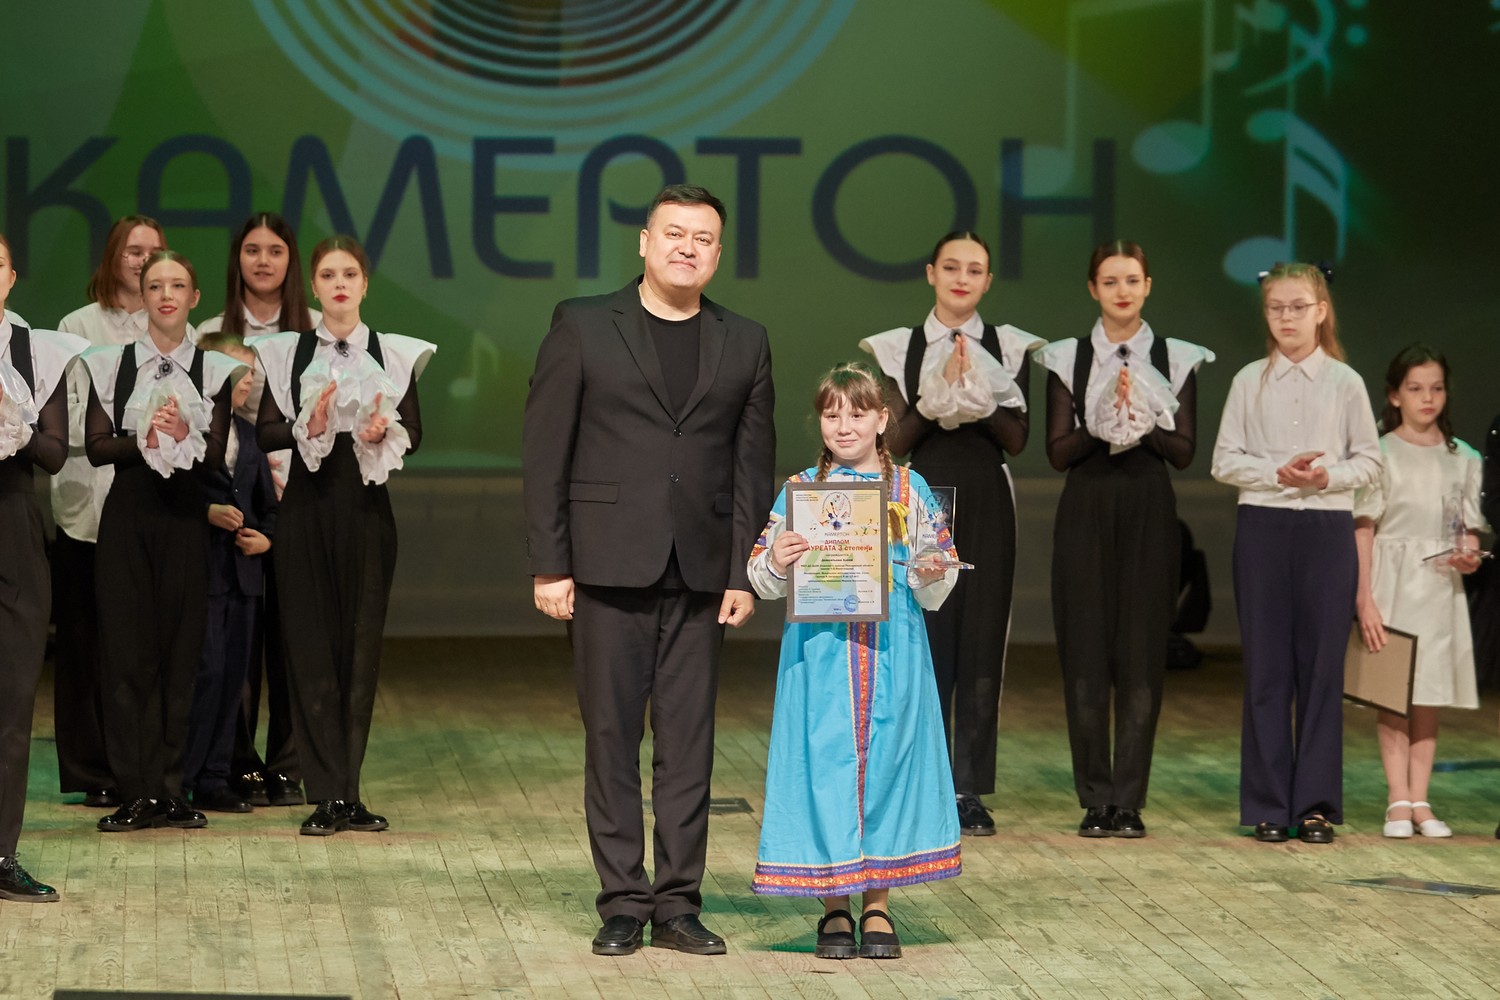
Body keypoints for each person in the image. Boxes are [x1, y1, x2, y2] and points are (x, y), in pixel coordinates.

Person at [523, 184, 775, 957]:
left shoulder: (745, 339)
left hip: (701, 573)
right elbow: (545, 452)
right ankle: (623, 902)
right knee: (610, 739)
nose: (687, 248)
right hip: (604, 566)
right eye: (674, 233)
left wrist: (744, 572)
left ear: (718, 254)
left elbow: (751, 469)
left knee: (689, 747)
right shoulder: (583, 323)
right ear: (644, 241)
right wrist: (549, 565)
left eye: (703, 238)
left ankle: (678, 905)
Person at [747, 362, 961, 961]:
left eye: (858, 413)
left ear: (882, 419)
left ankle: (877, 906)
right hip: (820, 657)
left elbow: (936, 580)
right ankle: (833, 906)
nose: (844, 426)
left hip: (895, 654)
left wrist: (931, 570)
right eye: (832, 413)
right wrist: (778, 560)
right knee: (825, 769)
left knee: (888, 767)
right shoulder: (800, 491)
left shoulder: (910, 490)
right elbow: (761, 577)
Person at [858, 231, 1042, 836]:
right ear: (931, 273)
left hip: (988, 493)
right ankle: (921, 780)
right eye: (952, 267)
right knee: (921, 634)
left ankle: (968, 788)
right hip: (919, 495)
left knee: (983, 639)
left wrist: (979, 396)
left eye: (976, 270)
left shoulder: (1009, 347)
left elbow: (1018, 438)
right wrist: (935, 398)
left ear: (988, 280)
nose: (963, 278)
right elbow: (893, 441)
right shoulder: (897, 348)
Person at [253, 235, 434, 837]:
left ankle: (349, 793)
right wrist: (311, 422)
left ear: (364, 284)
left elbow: (416, 431)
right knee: (310, 651)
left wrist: (382, 430)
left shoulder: (395, 353)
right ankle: (324, 793)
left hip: (366, 516)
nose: (339, 284)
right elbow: (265, 434)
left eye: (349, 274)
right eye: (328, 275)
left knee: (360, 653)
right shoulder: (286, 352)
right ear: (313, 285)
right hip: (305, 514)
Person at [1033, 241, 1213, 838]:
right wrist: (1102, 423)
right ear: (1093, 289)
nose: (1122, 291)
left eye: (1132, 280)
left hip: (1148, 507)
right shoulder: (1068, 358)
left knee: (1141, 654)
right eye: (1110, 281)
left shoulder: (1177, 357)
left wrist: (1144, 422)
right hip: (1086, 506)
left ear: (1147, 285)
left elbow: (1183, 451)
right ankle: (1095, 798)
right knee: (1085, 652)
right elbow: (1058, 452)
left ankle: (1128, 800)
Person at [1211, 262, 1381, 844]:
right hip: (1263, 526)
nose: (1287, 317)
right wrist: (1276, 474)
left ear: (1321, 311)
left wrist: (1325, 476)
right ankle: (1267, 803)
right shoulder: (1248, 381)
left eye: (1298, 307)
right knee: (1266, 668)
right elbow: (1223, 460)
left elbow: (1371, 461)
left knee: (1321, 670)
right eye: (1276, 307)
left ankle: (1314, 804)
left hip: (1327, 531)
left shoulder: (1345, 382)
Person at [82, 250, 240, 833]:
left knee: (180, 655)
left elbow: (215, 456)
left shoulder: (214, 370)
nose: (166, 295)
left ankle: (171, 788)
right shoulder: (111, 364)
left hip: (184, 520)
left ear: (194, 298)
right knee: (128, 655)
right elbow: (97, 446)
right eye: (155, 286)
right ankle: (135, 791)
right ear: (142, 296)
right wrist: (146, 438)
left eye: (177, 285)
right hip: (128, 517)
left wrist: (185, 431)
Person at [197, 212, 318, 809]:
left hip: (302, 494)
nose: (263, 260)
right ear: (237, 259)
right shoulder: (211, 330)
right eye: (252, 249)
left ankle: (288, 765)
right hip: (238, 495)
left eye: (275, 250)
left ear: (291, 260)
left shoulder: (315, 329)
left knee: (293, 640)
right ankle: (236, 762)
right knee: (235, 646)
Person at [52, 215, 168, 808]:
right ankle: (89, 768)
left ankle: (141, 764)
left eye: (153, 251)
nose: (142, 260)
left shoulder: (168, 323)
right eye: (132, 250)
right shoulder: (78, 326)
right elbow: (65, 415)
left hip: (149, 504)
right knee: (82, 642)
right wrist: (128, 427)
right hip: (85, 505)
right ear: (113, 256)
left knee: (140, 643)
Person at [1353, 345, 1485, 838]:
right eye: (1415, 388)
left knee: (1428, 692)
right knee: (1393, 692)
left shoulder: (1462, 457)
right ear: (1395, 395)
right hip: (1392, 580)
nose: (1427, 398)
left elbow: (1468, 528)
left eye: (1436, 388)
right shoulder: (1380, 453)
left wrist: (1470, 554)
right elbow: (1364, 526)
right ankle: (1397, 799)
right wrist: (1364, 596)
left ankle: (1421, 798)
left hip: (1438, 584)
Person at [0, 232, 88, 899]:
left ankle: (0, 855)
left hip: (12, 525)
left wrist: (15, 424)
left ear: (11, 276)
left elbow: (56, 454)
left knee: (11, 698)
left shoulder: (37, 351)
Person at [182, 363, 279, 814]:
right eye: (238, 371)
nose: (248, 380)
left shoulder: (253, 435)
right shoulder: (189, 430)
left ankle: (215, 778)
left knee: (234, 679)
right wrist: (206, 512)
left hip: (243, 575)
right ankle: (182, 776)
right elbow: (168, 494)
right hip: (202, 570)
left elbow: (268, 506)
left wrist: (266, 539)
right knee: (207, 672)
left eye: (251, 373)